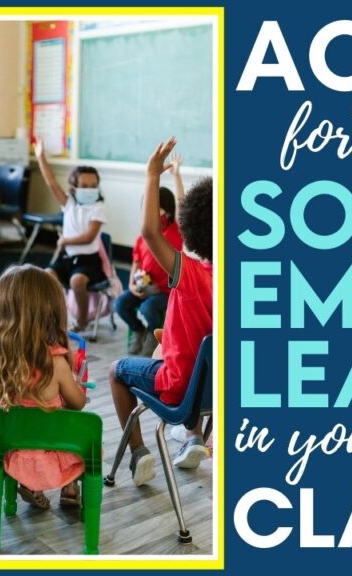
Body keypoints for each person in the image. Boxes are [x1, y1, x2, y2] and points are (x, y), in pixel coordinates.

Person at [108, 138, 214, 485]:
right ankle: (195, 436)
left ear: (190, 226)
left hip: (179, 387)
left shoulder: (190, 274)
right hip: (216, 391)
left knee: (116, 370)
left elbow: (150, 231)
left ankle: (138, 453)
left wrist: (152, 175)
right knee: (176, 350)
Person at [0, 264, 88, 509]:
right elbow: (78, 404)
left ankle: (32, 485)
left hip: (5, 451)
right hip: (51, 451)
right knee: (79, 432)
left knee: (22, 426)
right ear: (50, 314)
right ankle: (71, 486)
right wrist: (76, 384)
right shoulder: (56, 363)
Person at [33, 137, 108, 332]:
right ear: (74, 188)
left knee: (77, 281)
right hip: (68, 259)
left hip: (88, 261)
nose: (89, 189)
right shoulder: (69, 204)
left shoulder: (98, 208)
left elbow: (89, 237)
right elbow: (51, 182)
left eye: (93, 185)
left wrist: (65, 240)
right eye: (84, 185)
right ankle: (54, 317)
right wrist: (41, 157)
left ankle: (82, 321)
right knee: (47, 276)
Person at [116, 153, 185, 356]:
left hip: (165, 292)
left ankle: (152, 334)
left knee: (149, 309)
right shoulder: (141, 237)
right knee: (121, 304)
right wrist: (131, 285)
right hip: (143, 288)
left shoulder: (175, 232)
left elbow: (182, 204)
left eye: (158, 210)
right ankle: (138, 330)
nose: (153, 214)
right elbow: (136, 263)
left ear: (169, 212)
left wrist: (176, 175)